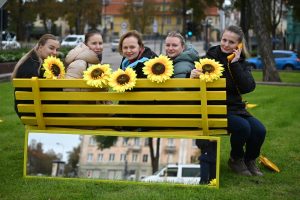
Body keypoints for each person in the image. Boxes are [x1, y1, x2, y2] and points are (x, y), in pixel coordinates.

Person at [190, 25, 266, 176]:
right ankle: (236, 159)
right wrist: (191, 75)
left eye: (231, 42)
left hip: (236, 108)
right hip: (215, 109)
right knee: (243, 127)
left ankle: (249, 160)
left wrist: (235, 64)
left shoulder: (242, 63)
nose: (225, 44)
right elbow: (193, 81)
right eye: (224, 40)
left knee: (259, 130)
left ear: (238, 45)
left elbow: (247, 87)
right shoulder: (208, 58)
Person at [11, 34, 60, 117]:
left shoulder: (27, 61)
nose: (55, 52)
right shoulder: (36, 68)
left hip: (27, 114)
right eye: (51, 48)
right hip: (41, 115)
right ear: (40, 46)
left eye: (56, 49)